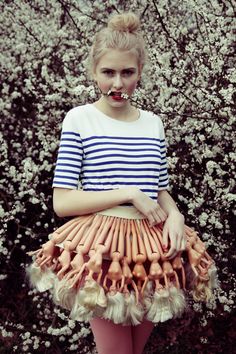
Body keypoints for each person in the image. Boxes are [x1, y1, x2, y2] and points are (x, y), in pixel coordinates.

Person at [27, 12, 216, 354]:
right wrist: (129, 194)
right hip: (103, 249)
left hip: (152, 250)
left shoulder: (153, 123)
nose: (117, 83)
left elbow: (158, 187)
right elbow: (63, 202)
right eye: (108, 72)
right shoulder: (80, 119)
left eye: (127, 72)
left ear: (139, 73)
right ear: (93, 72)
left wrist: (176, 216)